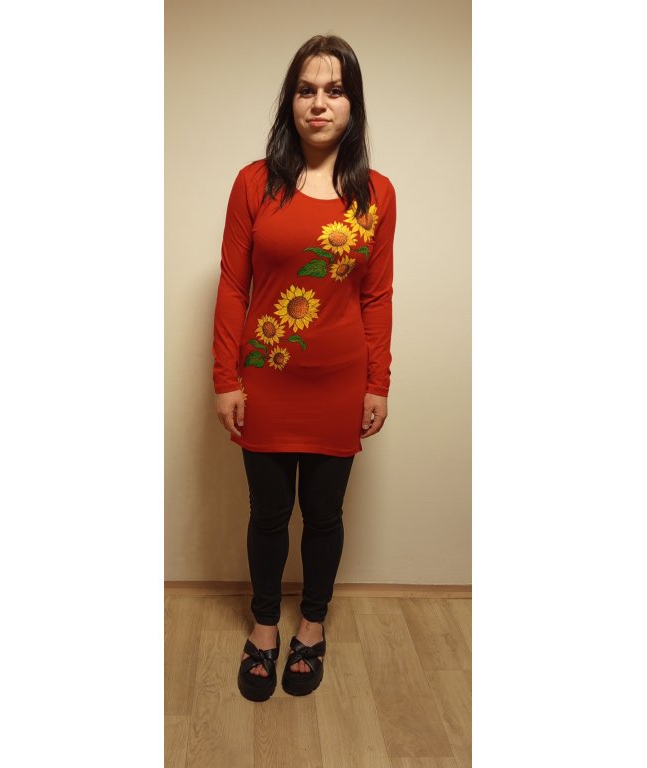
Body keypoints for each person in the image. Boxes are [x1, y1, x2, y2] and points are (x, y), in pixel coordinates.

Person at [211, 34, 395, 702]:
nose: (320, 103)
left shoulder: (377, 194)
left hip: (339, 384)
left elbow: (376, 296)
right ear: (290, 101)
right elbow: (233, 284)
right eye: (307, 90)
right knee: (267, 514)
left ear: (353, 103)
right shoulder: (253, 183)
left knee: (323, 515)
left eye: (335, 90)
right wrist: (225, 378)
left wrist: (378, 383)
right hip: (265, 379)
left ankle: (312, 625)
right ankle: (264, 626)